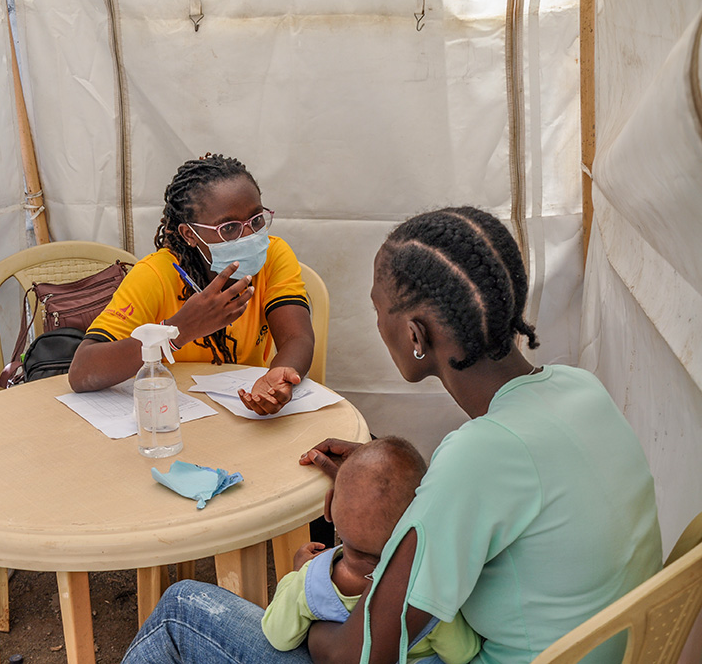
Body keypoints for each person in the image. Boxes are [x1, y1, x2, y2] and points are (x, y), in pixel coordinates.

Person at [121, 206, 662, 664]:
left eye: (378, 309)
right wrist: (387, 482)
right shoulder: (579, 389)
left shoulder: (480, 456)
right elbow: (509, 494)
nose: (378, 323)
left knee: (180, 611)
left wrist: (317, 589)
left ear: (415, 334)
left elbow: (356, 653)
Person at [68, 154, 315, 416]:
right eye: (229, 228)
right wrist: (178, 332)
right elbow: (83, 371)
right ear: (190, 234)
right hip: (171, 417)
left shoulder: (273, 255)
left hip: (243, 413)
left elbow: (296, 337)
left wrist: (280, 376)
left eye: (256, 220)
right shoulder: (155, 274)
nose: (249, 235)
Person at [262, 437, 480, 664]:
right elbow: (463, 653)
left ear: (327, 507)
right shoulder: (427, 592)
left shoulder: (310, 581)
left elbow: (277, 636)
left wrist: (295, 575)